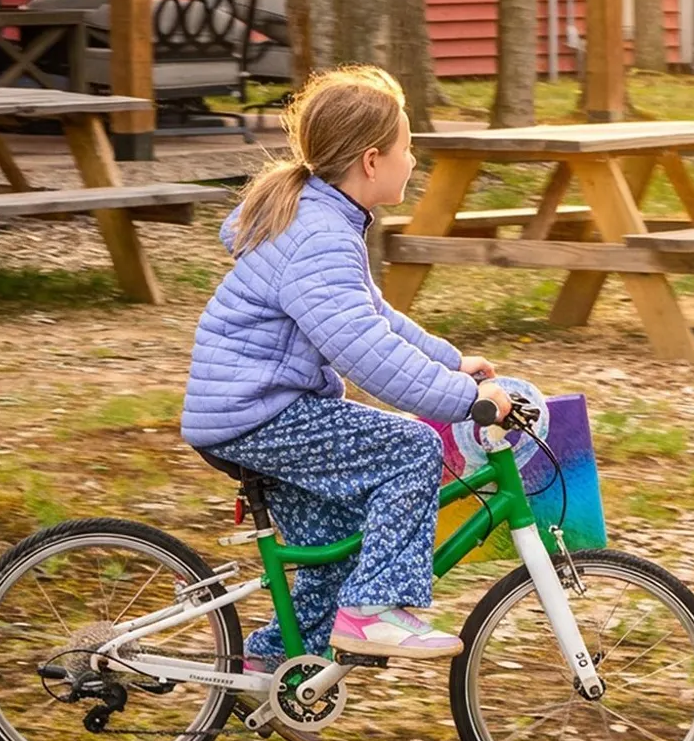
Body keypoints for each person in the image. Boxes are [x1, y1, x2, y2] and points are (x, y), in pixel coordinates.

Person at [180, 65, 512, 675]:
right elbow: (363, 350)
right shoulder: (321, 235)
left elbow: (371, 315)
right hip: (261, 415)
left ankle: (272, 665)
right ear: (371, 160)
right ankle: (375, 610)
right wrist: (463, 401)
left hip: (250, 411)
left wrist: (450, 361)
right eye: (407, 149)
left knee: (339, 539)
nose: (413, 162)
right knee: (413, 447)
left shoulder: (320, 217)